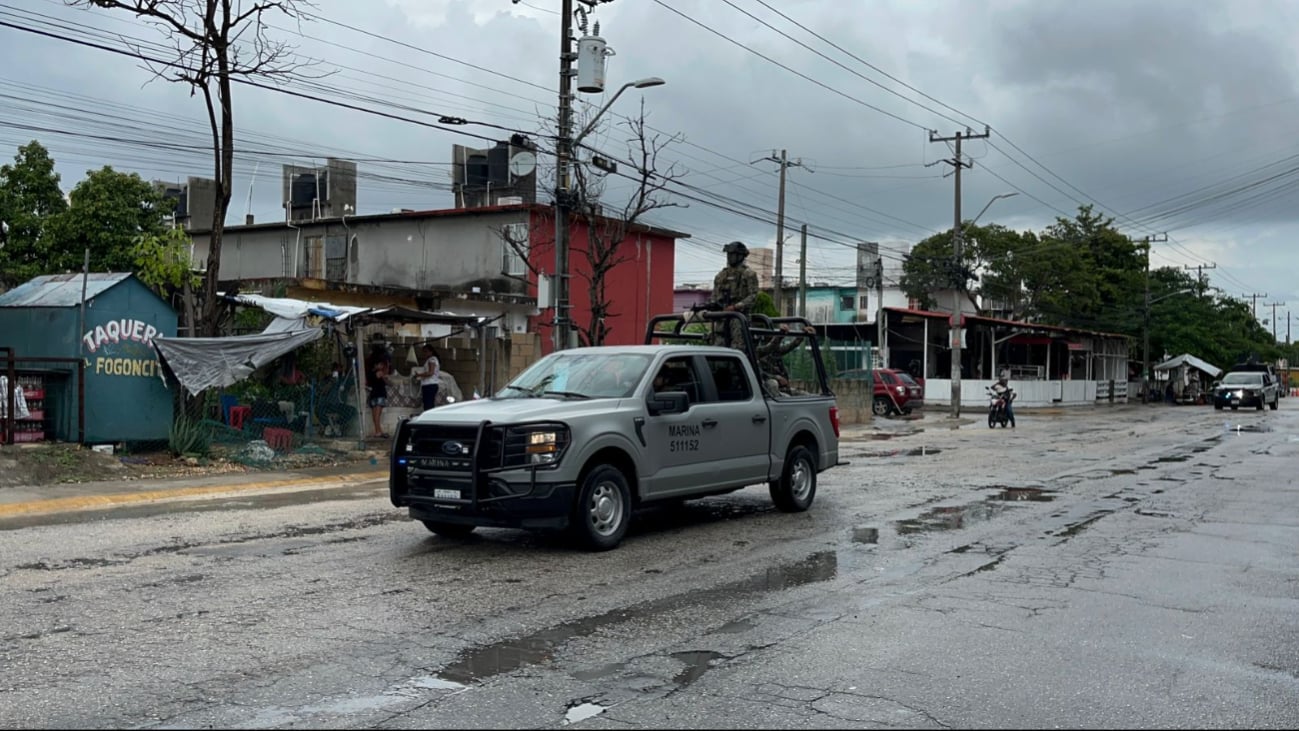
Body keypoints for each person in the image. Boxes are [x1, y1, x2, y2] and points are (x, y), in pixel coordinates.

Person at [711, 241, 759, 349]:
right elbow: (714, 295)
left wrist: (736, 307)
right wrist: (713, 305)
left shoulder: (748, 274)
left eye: (733, 254)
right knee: (717, 347)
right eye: (729, 254)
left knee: (738, 348)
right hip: (722, 316)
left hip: (739, 317)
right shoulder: (721, 275)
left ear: (740, 256)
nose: (730, 257)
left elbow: (753, 296)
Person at [757, 324, 814, 395]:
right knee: (773, 384)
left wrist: (802, 334)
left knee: (806, 396)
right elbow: (760, 374)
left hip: (783, 389)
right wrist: (777, 378)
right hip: (768, 392)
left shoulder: (775, 352)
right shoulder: (756, 354)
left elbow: (791, 346)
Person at [412, 344, 440, 411]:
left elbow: (430, 372)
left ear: (431, 351)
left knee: (428, 405)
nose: (424, 353)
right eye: (424, 352)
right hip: (429, 385)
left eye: (426, 351)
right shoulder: (431, 360)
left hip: (429, 385)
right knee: (428, 404)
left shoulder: (432, 360)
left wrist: (419, 375)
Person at [368, 360, 392, 438]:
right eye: (380, 364)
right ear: (376, 365)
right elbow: (389, 383)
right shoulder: (380, 373)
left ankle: (378, 431)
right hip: (380, 394)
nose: (381, 366)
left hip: (373, 394)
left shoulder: (370, 373)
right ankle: (378, 431)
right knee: (377, 415)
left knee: (374, 416)